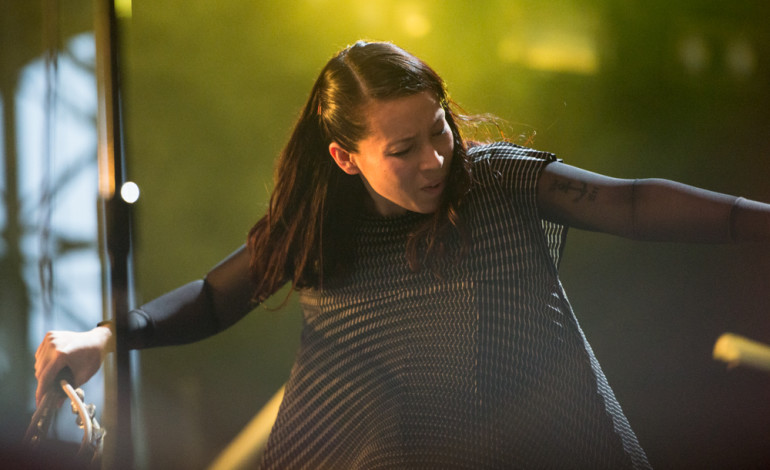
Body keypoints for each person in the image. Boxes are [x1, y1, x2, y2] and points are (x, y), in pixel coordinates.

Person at [34, 41, 770, 469]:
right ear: (345, 158)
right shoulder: (319, 227)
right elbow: (214, 296)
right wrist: (106, 336)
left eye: (440, 129)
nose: (436, 159)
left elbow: (631, 203)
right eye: (404, 148)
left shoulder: (498, 182)